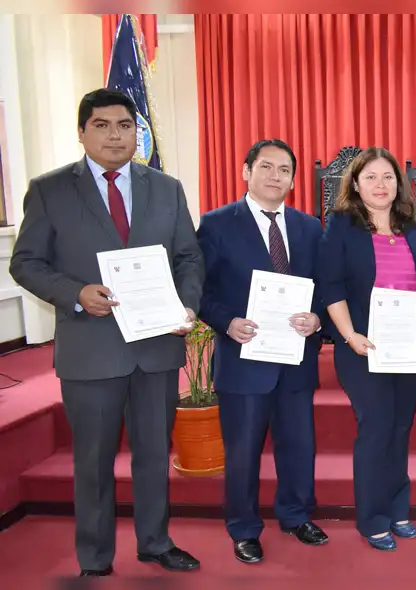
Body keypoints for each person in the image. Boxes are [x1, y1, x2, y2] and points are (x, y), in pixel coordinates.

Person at [8, 88, 203, 576]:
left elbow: (188, 257)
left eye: (125, 125)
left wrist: (187, 304)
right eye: (102, 125)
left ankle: (155, 542)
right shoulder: (50, 189)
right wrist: (75, 293)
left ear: (138, 132)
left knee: (155, 454)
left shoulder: (166, 187)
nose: (116, 135)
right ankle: (95, 558)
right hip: (90, 351)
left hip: (157, 346)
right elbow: (26, 262)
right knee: (92, 461)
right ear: (82, 131)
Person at [196, 139, 328, 564]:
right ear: (245, 171)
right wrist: (226, 321)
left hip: (295, 358)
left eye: (285, 169)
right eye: (267, 167)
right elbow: (199, 290)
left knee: (298, 445)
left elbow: (324, 288)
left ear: (293, 178)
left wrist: (317, 318)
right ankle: (244, 528)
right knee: (243, 452)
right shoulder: (216, 224)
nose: (276, 176)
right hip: (244, 357)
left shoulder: (309, 227)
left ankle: (295, 515)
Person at [317, 147, 416, 551]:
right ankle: (372, 517)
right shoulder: (341, 225)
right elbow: (331, 285)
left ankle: (398, 509)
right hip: (362, 347)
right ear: (355, 183)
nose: (380, 184)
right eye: (370, 177)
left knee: (400, 428)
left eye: (387, 177)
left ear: (398, 183)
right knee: (375, 428)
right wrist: (349, 335)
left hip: (409, 347)